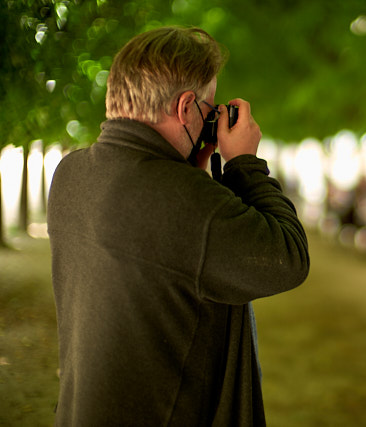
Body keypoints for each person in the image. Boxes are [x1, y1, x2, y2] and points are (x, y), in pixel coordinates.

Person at [47, 26, 310, 426]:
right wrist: (244, 164)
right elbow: (288, 257)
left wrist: (192, 165)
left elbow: (162, 248)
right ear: (186, 106)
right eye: (208, 109)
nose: (211, 120)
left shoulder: (71, 174)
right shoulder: (186, 200)